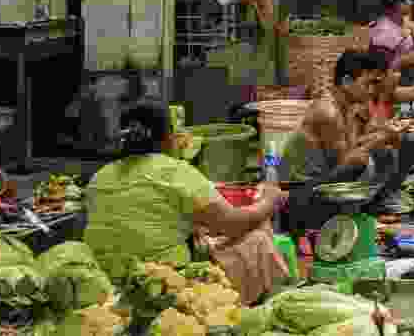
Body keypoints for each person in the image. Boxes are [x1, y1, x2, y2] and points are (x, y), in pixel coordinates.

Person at [82, 100, 288, 303]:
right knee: (256, 239)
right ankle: (251, 308)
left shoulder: (99, 177)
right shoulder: (176, 172)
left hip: (106, 282)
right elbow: (233, 223)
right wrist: (269, 202)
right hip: (161, 285)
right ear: (168, 138)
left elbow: (139, 221)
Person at [280, 50, 414, 236]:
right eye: (366, 84)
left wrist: (385, 134)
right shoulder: (328, 112)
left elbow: (352, 147)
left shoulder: (345, 106)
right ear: (346, 82)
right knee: (361, 161)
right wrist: (382, 136)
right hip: (298, 194)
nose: (370, 90)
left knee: (384, 151)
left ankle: (364, 209)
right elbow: (346, 162)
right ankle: (340, 216)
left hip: (319, 182)